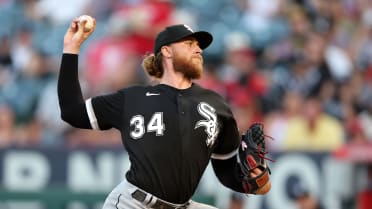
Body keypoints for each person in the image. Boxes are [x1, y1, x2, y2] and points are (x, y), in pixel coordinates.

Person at [58, 17, 271, 209]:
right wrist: (71, 48)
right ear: (167, 51)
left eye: (199, 46)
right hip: (134, 203)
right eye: (189, 44)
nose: (198, 50)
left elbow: (225, 171)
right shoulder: (132, 98)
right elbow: (72, 112)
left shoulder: (216, 104)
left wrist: (252, 181)